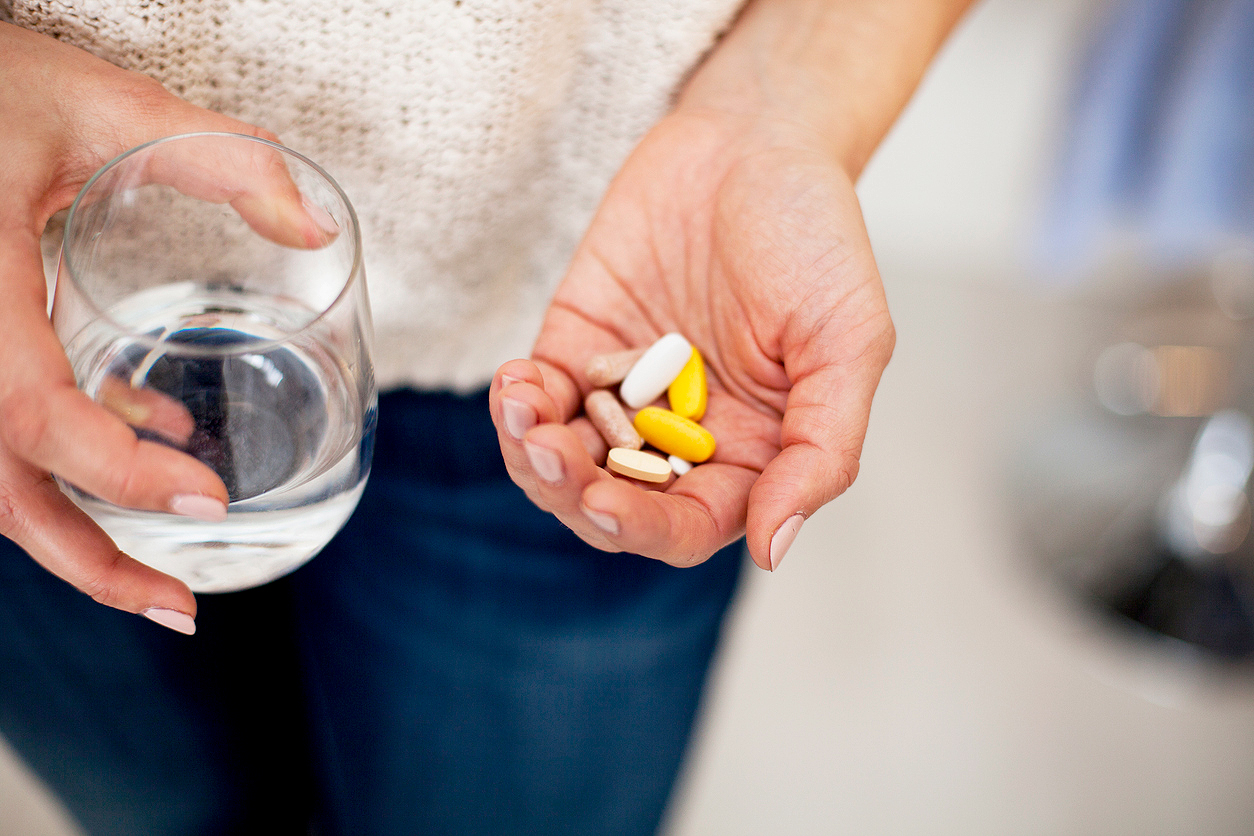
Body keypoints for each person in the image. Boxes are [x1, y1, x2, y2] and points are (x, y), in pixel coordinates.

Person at [0, 0, 972, 833]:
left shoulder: (593, 384)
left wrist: (784, 99)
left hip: (581, 305)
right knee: (170, 813)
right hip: (36, 355)